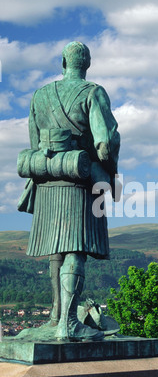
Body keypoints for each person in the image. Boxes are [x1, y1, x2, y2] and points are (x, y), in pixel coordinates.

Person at [18, 41, 120, 342]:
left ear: (63, 62)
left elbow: (36, 142)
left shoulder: (40, 95)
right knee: (76, 249)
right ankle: (68, 323)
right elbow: (104, 143)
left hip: (48, 180)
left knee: (56, 252)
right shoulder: (92, 92)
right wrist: (108, 171)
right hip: (79, 178)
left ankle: (55, 318)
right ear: (86, 64)